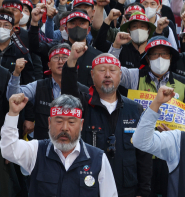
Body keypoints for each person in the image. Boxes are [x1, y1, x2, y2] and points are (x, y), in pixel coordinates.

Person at [61, 43, 153, 197]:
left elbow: (143, 154)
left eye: (112, 70)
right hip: (88, 187)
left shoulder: (135, 109)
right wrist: (72, 60)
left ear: (120, 75)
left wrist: (143, 192)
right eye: (102, 70)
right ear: (92, 75)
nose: (108, 75)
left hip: (126, 189)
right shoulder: (83, 105)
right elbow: (68, 93)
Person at [0, 93, 118, 196]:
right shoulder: (36, 151)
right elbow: (9, 150)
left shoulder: (97, 158)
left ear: (81, 125)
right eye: (59, 121)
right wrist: (13, 114)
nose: (65, 128)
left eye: (71, 122)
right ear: (49, 123)